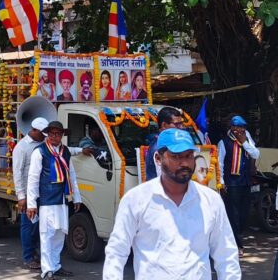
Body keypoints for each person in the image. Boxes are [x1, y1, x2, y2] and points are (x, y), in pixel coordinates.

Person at [103, 128, 240, 279]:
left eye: (189, 156)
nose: (184, 163)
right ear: (158, 159)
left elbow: (226, 255)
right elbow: (116, 252)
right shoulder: (136, 200)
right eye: (176, 157)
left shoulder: (211, 200)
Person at [27, 121, 81, 279]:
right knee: (47, 234)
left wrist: (76, 197)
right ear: (47, 135)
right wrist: (31, 204)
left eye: (58, 134)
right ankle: (47, 269)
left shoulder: (65, 152)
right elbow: (33, 179)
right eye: (52, 134)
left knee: (59, 233)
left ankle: (56, 265)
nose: (55, 136)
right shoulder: (40, 152)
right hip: (47, 200)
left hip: (62, 199)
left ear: (62, 135)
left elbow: (72, 175)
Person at [218, 114, 260, 256]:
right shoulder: (224, 142)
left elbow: (255, 154)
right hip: (232, 183)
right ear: (232, 128)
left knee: (244, 215)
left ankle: (236, 237)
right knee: (233, 215)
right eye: (238, 128)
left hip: (246, 181)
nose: (241, 130)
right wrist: (222, 183)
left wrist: (245, 142)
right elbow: (220, 163)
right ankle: (237, 244)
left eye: (243, 128)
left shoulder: (247, 139)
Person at [12, 117, 48, 270]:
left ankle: (35, 253)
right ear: (34, 131)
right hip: (28, 193)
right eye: (42, 133)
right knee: (28, 225)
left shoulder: (43, 144)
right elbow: (17, 173)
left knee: (38, 225)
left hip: (42, 192)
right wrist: (21, 197)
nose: (44, 137)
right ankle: (28, 257)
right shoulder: (21, 147)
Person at [145, 107, 184, 181]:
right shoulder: (159, 148)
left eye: (181, 123)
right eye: (177, 124)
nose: (181, 127)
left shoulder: (167, 144)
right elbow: (166, 181)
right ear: (164, 125)